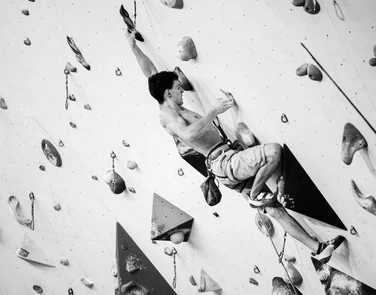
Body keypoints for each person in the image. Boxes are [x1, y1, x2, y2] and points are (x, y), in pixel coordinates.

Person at [126, 30, 345, 263]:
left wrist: (133, 46)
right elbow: (189, 133)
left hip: (225, 164)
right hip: (224, 162)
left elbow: (150, 72)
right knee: (273, 152)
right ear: (168, 92)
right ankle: (255, 195)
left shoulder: (167, 101)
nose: (182, 92)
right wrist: (215, 111)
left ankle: (318, 249)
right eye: (178, 89)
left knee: (274, 210)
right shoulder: (168, 115)